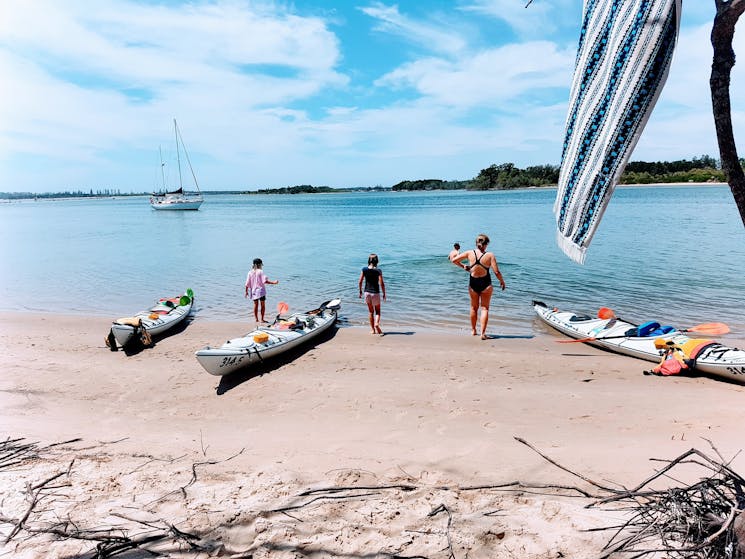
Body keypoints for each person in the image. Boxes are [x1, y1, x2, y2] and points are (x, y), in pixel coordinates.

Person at [451, 234, 506, 339]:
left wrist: (463, 267)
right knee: (484, 308)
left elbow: (454, 260)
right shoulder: (490, 255)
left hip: (473, 283)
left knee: (473, 308)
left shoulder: (469, 253)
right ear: (486, 244)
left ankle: (473, 331)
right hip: (486, 284)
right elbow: (497, 272)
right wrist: (502, 282)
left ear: (476, 243)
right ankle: (483, 334)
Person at [358, 253, 386, 335]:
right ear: (377, 261)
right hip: (375, 293)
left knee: (370, 312)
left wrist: (360, 291)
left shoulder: (364, 269)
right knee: (377, 311)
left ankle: (373, 330)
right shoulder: (378, 271)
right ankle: (376, 324)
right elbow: (382, 283)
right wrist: (384, 293)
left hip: (367, 293)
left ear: (368, 261)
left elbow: (360, 281)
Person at [244, 258, 279, 323]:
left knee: (255, 305)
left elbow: (247, 283)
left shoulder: (250, 272)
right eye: (261, 265)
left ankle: (256, 319)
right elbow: (265, 281)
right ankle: (262, 319)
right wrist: (274, 283)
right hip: (261, 291)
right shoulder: (260, 271)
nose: (261, 266)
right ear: (259, 264)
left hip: (253, 291)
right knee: (262, 305)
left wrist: (246, 291)